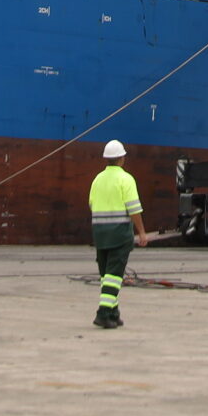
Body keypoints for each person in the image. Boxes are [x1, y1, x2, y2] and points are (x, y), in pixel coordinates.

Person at [88, 140, 145, 328]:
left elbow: (91, 204)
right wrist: (142, 233)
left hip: (100, 234)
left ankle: (113, 312)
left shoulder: (97, 179)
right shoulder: (126, 179)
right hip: (119, 234)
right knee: (114, 275)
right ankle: (103, 313)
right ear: (122, 159)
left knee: (107, 275)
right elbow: (134, 209)